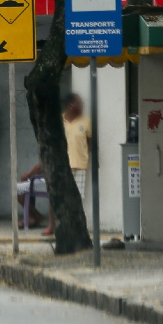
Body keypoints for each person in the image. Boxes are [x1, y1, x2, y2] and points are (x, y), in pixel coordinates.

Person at [42, 93, 92, 235]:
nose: (82, 106)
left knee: (76, 199)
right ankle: (52, 226)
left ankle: (76, 228)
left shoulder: (86, 121)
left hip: (80, 166)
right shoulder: (59, 121)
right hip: (61, 166)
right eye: (79, 104)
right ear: (71, 105)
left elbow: (91, 143)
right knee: (55, 196)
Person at [16, 162, 47, 228]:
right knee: (25, 184)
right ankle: (33, 216)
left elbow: (41, 165)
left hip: (48, 183)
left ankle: (34, 216)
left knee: (16, 189)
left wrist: (28, 174)